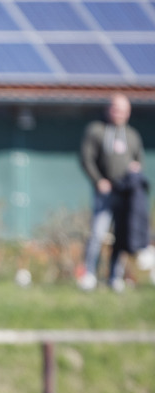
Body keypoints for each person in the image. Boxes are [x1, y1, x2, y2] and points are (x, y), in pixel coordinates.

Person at [79, 93, 145, 291]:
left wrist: (135, 169)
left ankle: (114, 276)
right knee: (98, 233)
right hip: (104, 193)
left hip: (125, 194)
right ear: (109, 109)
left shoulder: (132, 135)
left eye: (123, 110)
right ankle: (89, 274)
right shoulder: (96, 131)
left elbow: (139, 160)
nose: (119, 113)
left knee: (121, 235)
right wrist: (98, 180)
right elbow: (86, 158)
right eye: (116, 109)